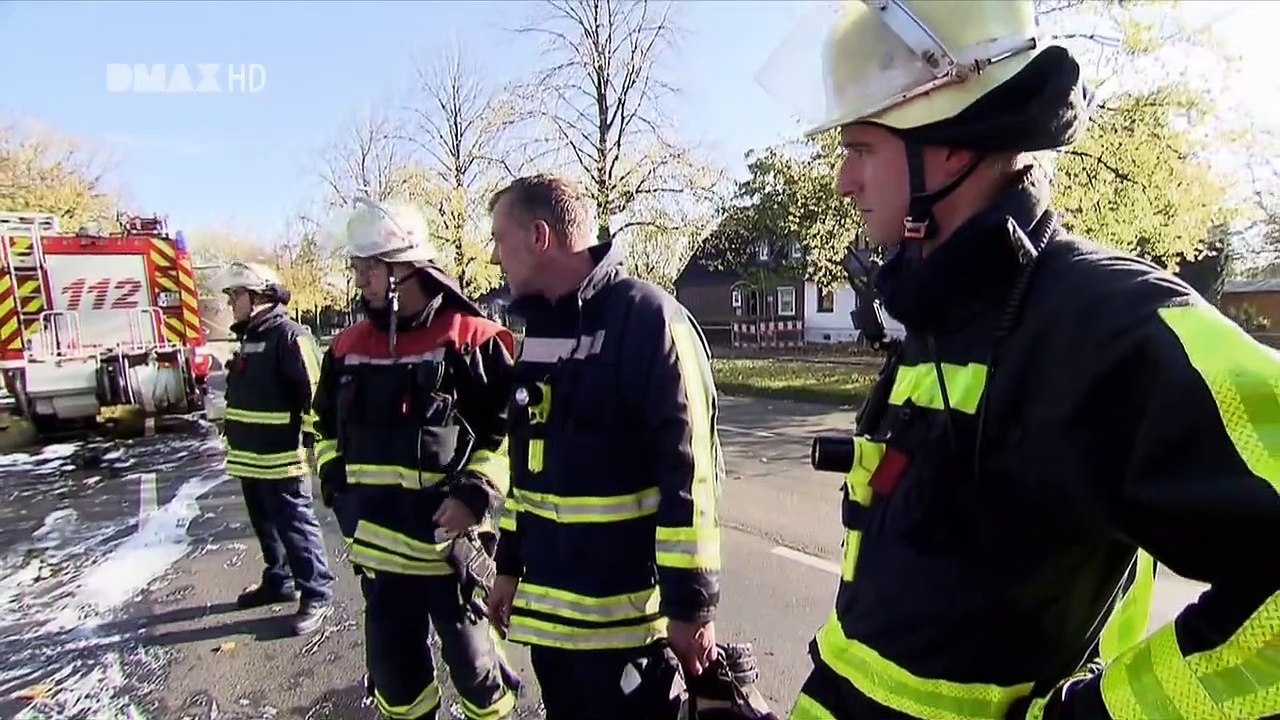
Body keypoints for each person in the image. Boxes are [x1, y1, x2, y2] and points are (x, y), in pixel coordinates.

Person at [752, 1, 1280, 719]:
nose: (845, 181)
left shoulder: (1106, 322)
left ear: (954, 145)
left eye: (862, 149)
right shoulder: (939, 312)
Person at [483, 174, 726, 719]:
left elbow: (692, 479)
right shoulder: (538, 333)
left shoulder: (650, 321)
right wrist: (509, 565)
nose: (496, 258)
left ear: (540, 236)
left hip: (629, 633)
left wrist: (691, 607)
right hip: (553, 631)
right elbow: (528, 474)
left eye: (500, 239)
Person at [311, 194, 520, 720]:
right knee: (397, 684)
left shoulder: (474, 342)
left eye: (370, 269)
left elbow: (513, 436)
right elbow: (324, 429)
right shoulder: (345, 349)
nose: (360, 281)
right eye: (356, 268)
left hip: (451, 560)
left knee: (479, 678)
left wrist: (476, 495)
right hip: (379, 561)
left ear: (407, 270)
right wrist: (336, 487)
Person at [215, 261, 336, 636]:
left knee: (296, 526)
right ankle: (278, 579)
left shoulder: (288, 335)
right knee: (266, 526)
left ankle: (316, 593)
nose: (231, 302)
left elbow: (315, 396)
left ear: (259, 296)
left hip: (282, 458)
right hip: (250, 457)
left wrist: (313, 446)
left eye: (236, 295)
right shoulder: (250, 335)